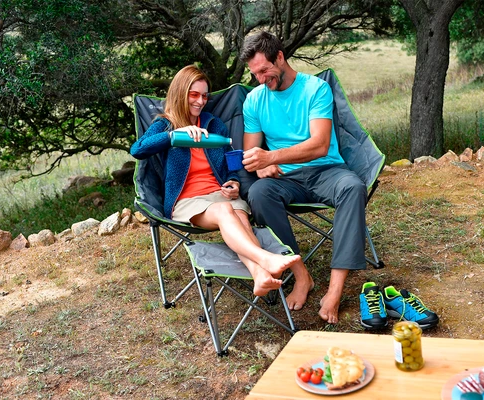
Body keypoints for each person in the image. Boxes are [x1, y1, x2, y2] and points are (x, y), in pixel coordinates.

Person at [130, 65, 304, 297]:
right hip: (187, 200)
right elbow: (138, 149)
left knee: (239, 216)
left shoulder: (213, 125)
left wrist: (233, 182)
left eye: (204, 96)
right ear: (180, 93)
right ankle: (265, 259)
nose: (200, 101)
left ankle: (260, 275)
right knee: (225, 211)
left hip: (220, 194)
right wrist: (174, 136)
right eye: (194, 95)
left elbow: (228, 165)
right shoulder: (165, 125)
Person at [240, 31, 368, 324]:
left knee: (353, 187)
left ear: (280, 57)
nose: (260, 79)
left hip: (326, 170)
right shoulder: (254, 100)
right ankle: (301, 275)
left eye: (264, 70)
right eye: (254, 73)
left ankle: (334, 291)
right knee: (259, 193)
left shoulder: (316, 89)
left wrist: (270, 157)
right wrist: (259, 166)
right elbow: (251, 152)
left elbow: (320, 145)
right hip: (287, 179)